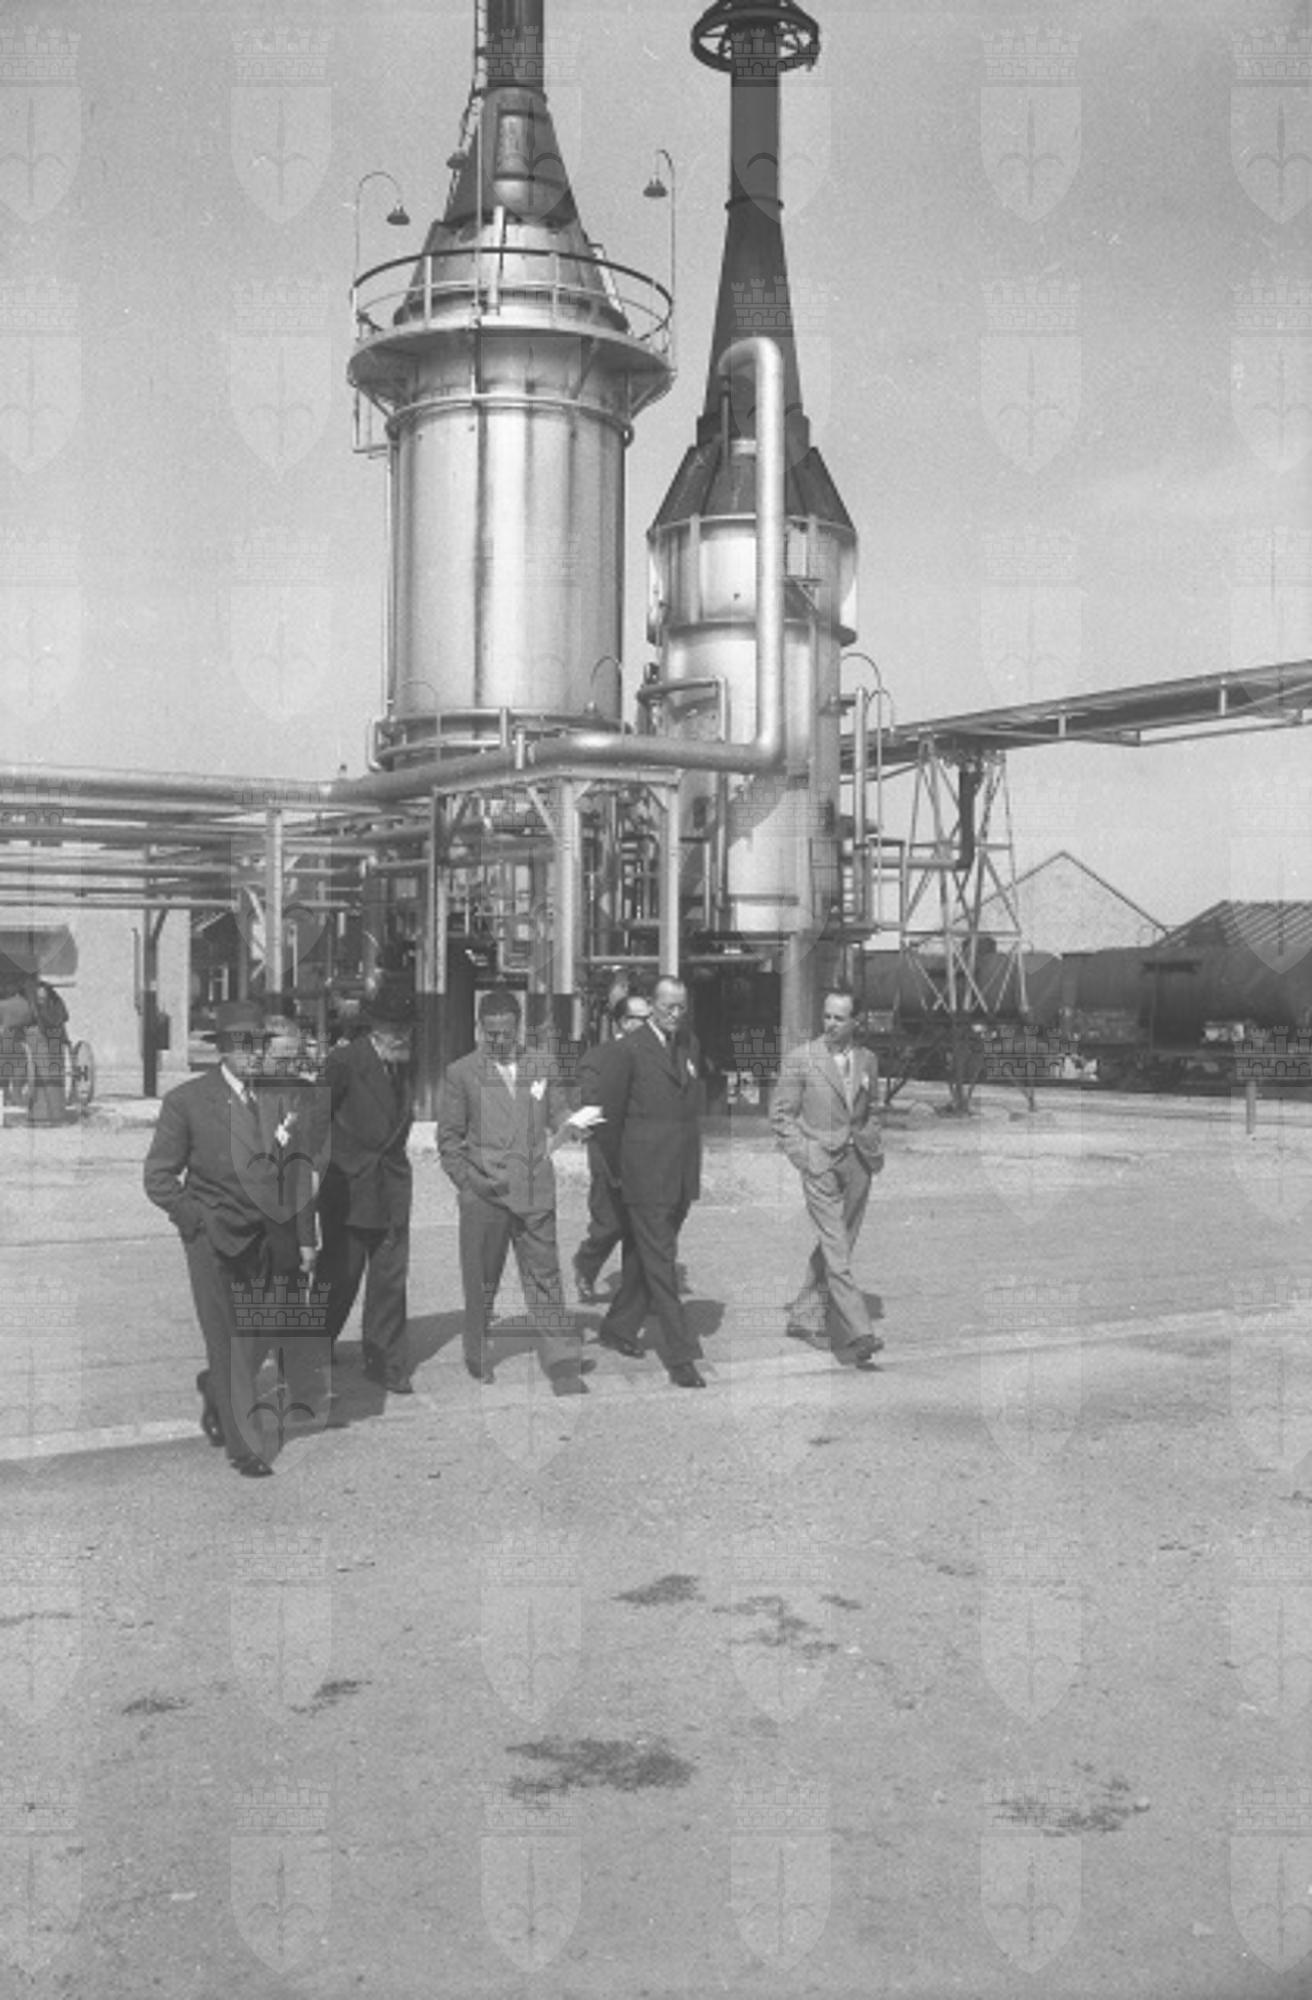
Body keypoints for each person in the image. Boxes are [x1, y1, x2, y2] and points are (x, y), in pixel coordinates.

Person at [143, 997, 317, 1477]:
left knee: (264, 1331)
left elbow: (297, 1173)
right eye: (242, 1045)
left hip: (270, 1240)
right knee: (227, 1341)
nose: (252, 1054)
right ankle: (245, 1447)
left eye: (258, 1044)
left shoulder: (282, 1098)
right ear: (222, 1049)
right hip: (214, 1240)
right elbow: (158, 1177)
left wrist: (306, 1238)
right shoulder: (188, 1101)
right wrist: (194, 1220)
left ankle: (217, 1389)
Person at [438, 986, 600, 1393]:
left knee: (545, 1277)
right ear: (480, 1028)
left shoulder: (542, 1064)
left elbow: (557, 1111)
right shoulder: (461, 1073)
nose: (498, 1040)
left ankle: (562, 1361)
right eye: (490, 1033)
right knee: (481, 1280)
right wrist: (467, 1185)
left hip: (534, 1190)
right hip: (484, 1194)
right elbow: (449, 1139)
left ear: (519, 1028)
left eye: (506, 1033)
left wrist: (573, 1124)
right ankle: (476, 1350)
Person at [588, 973, 707, 1389]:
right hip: (643, 1175)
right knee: (662, 1264)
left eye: (681, 1007)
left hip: (680, 1173)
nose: (675, 1014)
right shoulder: (629, 1050)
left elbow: (689, 1106)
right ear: (652, 1006)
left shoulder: (689, 1044)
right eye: (668, 1006)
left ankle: (618, 1328)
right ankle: (682, 1355)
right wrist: (620, 1172)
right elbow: (609, 1117)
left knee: (644, 1256)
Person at [769, 986, 885, 1369]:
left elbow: (873, 1108)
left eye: (839, 1018)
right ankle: (860, 1331)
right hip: (820, 1162)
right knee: (836, 1246)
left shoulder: (868, 1060)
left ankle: (804, 1316)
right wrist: (805, 1155)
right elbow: (780, 1114)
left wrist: (871, 1142)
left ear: (856, 1021)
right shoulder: (802, 1059)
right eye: (827, 1016)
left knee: (840, 1243)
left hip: (858, 1162)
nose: (831, 1024)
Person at [317, 978, 415, 1394]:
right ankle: (314, 1346)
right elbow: (313, 1119)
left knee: (390, 1278)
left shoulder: (403, 1061)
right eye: (394, 1029)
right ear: (376, 1029)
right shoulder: (343, 1062)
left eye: (406, 1028)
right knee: (341, 1275)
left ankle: (385, 1361)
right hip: (349, 1187)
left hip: (391, 1186)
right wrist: (328, 1168)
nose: (402, 1036)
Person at [571, 986, 652, 1303]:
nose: (645, 1024)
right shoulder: (599, 1057)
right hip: (609, 1150)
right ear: (622, 1022)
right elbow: (592, 1104)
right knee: (609, 1223)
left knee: (644, 1227)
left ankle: (640, 1294)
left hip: (648, 1152)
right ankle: (586, 1264)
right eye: (638, 1018)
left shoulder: (659, 1057)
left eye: (649, 1018)